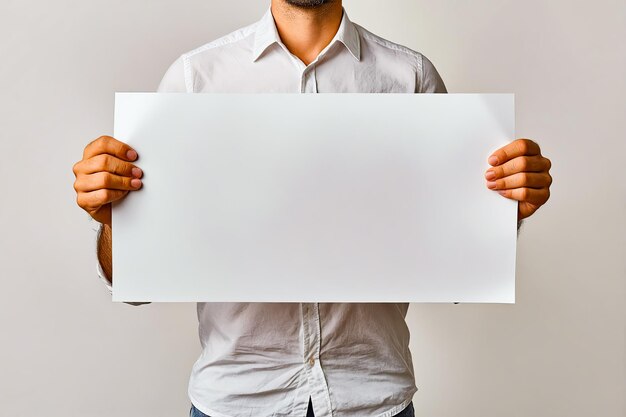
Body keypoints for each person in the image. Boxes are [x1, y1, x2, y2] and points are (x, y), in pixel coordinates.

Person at [71, 1, 553, 416]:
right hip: (236, 399)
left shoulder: (409, 78)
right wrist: (115, 220)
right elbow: (135, 284)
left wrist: (507, 206)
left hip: (372, 398)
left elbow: (455, 268)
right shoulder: (197, 78)